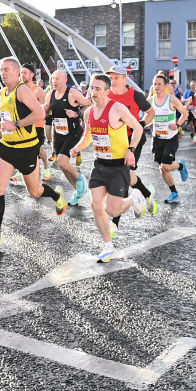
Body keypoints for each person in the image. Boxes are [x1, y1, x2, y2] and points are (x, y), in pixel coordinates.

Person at [0, 57, 67, 250]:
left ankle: (56, 196)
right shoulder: (4, 92)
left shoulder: (22, 90)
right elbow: (8, 119)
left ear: (17, 72)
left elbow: (40, 114)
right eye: (1, 70)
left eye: (7, 70)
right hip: (7, 147)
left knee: (34, 191)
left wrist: (16, 125)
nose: (3, 73)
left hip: (27, 148)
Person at [69, 73, 147, 263]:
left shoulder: (117, 108)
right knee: (95, 205)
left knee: (113, 211)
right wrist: (78, 147)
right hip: (99, 165)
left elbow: (138, 128)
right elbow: (88, 136)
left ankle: (135, 198)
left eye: (98, 89)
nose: (93, 92)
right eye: (91, 88)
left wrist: (131, 149)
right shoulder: (88, 112)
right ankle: (108, 246)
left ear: (106, 91)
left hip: (118, 166)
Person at [106, 65, 157, 238]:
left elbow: (151, 112)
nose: (113, 81)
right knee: (130, 177)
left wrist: (141, 124)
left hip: (133, 140)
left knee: (123, 176)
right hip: (116, 141)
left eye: (116, 78)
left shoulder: (136, 95)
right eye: (111, 78)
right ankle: (146, 194)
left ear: (124, 79)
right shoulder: (107, 95)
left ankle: (115, 222)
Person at [46, 70, 91, 206]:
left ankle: (80, 179)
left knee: (62, 160)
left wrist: (77, 113)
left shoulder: (72, 93)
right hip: (58, 134)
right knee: (62, 165)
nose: (54, 81)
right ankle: (78, 191)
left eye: (57, 78)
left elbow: (89, 104)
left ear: (65, 80)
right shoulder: (50, 94)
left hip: (73, 133)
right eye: (52, 78)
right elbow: (47, 112)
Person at [146, 74, 189, 203]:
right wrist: (142, 125)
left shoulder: (172, 99)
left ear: (165, 86)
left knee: (165, 166)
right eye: (155, 84)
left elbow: (185, 113)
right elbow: (149, 119)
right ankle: (174, 193)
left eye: (159, 84)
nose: (156, 86)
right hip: (157, 138)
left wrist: (178, 124)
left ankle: (181, 166)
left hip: (170, 138)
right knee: (162, 168)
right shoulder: (150, 101)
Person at [21, 64, 52, 182]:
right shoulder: (20, 89)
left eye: (25, 73)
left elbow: (47, 109)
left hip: (37, 125)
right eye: (21, 73)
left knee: (37, 149)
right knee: (24, 148)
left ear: (32, 75)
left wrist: (42, 110)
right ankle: (22, 170)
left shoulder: (38, 90)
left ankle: (46, 167)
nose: (22, 75)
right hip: (24, 124)